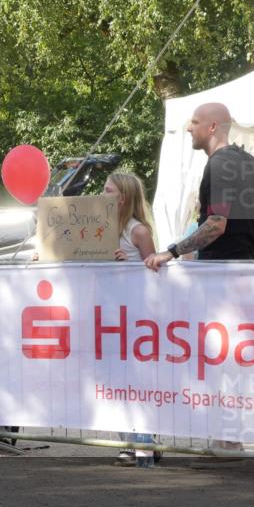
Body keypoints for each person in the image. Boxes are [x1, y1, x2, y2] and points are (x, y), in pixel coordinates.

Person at [146, 102, 254, 270]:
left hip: (220, 272)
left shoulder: (220, 163)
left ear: (212, 126)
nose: (189, 128)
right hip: (243, 268)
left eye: (195, 122)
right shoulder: (245, 160)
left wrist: (170, 252)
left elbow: (216, 224)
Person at [102, 172, 159, 466]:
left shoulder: (138, 231)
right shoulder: (100, 228)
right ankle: (127, 440)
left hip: (136, 318)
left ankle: (146, 444)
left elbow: (155, 270)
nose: (102, 194)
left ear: (122, 197)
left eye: (107, 190)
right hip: (109, 316)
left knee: (138, 381)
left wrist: (130, 266)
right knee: (117, 380)